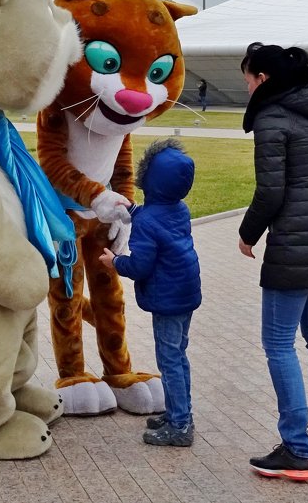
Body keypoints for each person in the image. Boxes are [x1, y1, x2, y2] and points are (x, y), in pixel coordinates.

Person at [237, 42, 308, 481]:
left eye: (247, 79)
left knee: (278, 343)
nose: (246, 87)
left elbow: (271, 191)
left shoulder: (271, 116)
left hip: (294, 246)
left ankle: (296, 448)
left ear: (262, 79)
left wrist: (248, 233)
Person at [100, 138, 201, 447]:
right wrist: (132, 208)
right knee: (178, 356)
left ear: (149, 180)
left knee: (169, 360)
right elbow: (155, 218)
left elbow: (141, 265)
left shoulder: (150, 223)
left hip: (167, 299)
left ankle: (180, 425)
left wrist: (115, 261)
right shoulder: (177, 208)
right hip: (186, 292)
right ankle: (179, 412)